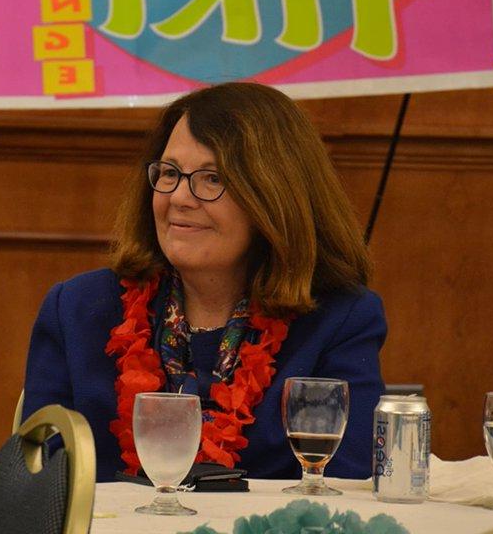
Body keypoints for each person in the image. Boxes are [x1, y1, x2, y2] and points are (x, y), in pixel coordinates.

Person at [22, 82, 385, 482]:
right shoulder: (78, 308)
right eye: (170, 173)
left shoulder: (339, 318)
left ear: (274, 196)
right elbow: (35, 482)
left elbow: (348, 491)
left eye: (212, 178)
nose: (180, 196)